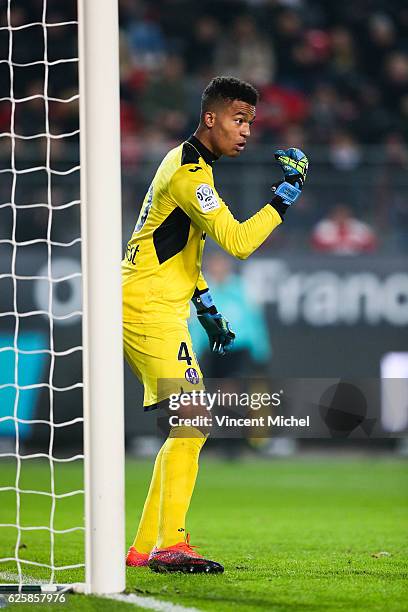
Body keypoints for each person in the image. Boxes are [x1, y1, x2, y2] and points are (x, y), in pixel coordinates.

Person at [122, 76, 308, 574]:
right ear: (211, 118)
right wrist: (283, 198)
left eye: (251, 121)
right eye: (238, 119)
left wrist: (205, 307)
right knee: (194, 420)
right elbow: (239, 242)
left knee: (189, 425)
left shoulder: (195, 165)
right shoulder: (190, 174)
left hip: (160, 302)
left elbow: (179, 247)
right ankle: (171, 543)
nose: (246, 130)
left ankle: (145, 548)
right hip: (147, 305)